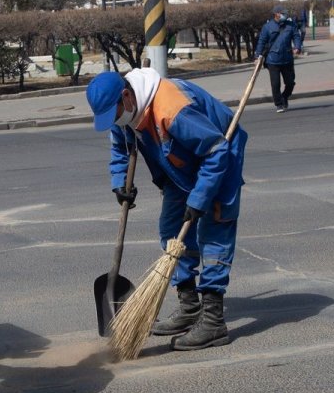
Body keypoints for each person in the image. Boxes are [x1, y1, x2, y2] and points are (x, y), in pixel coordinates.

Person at [85, 68, 247, 350]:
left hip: (219, 160)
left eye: (113, 114)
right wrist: (119, 182)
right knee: (172, 231)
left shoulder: (172, 108)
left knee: (213, 235)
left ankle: (213, 321)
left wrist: (199, 199)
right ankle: (189, 306)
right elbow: (120, 148)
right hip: (180, 167)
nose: (113, 121)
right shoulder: (123, 110)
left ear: (126, 96)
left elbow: (216, 150)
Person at [255, 5, 304, 113]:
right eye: (283, 13)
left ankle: (285, 96)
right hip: (272, 60)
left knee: (290, 82)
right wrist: (257, 55)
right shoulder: (267, 27)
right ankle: (279, 104)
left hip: (287, 58)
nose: (285, 15)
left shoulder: (291, 25)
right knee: (275, 84)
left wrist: (297, 47)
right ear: (276, 14)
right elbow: (261, 42)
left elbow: (296, 36)